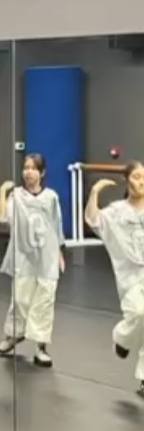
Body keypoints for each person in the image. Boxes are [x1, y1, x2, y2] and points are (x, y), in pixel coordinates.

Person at [0, 153, 64, 367]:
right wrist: (2, 192)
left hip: (46, 257)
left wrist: (60, 251)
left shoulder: (50, 197)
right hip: (23, 256)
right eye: (26, 167)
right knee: (20, 298)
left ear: (42, 173)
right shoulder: (16, 196)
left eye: (34, 168)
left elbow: (56, 225)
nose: (28, 172)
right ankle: (14, 335)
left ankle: (41, 347)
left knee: (44, 301)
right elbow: (2, 218)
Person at [85, 161, 144, 395]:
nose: (141, 181)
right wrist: (95, 192)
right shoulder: (117, 211)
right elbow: (93, 220)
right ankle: (122, 338)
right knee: (140, 313)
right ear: (127, 180)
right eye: (137, 176)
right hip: (130, 277)